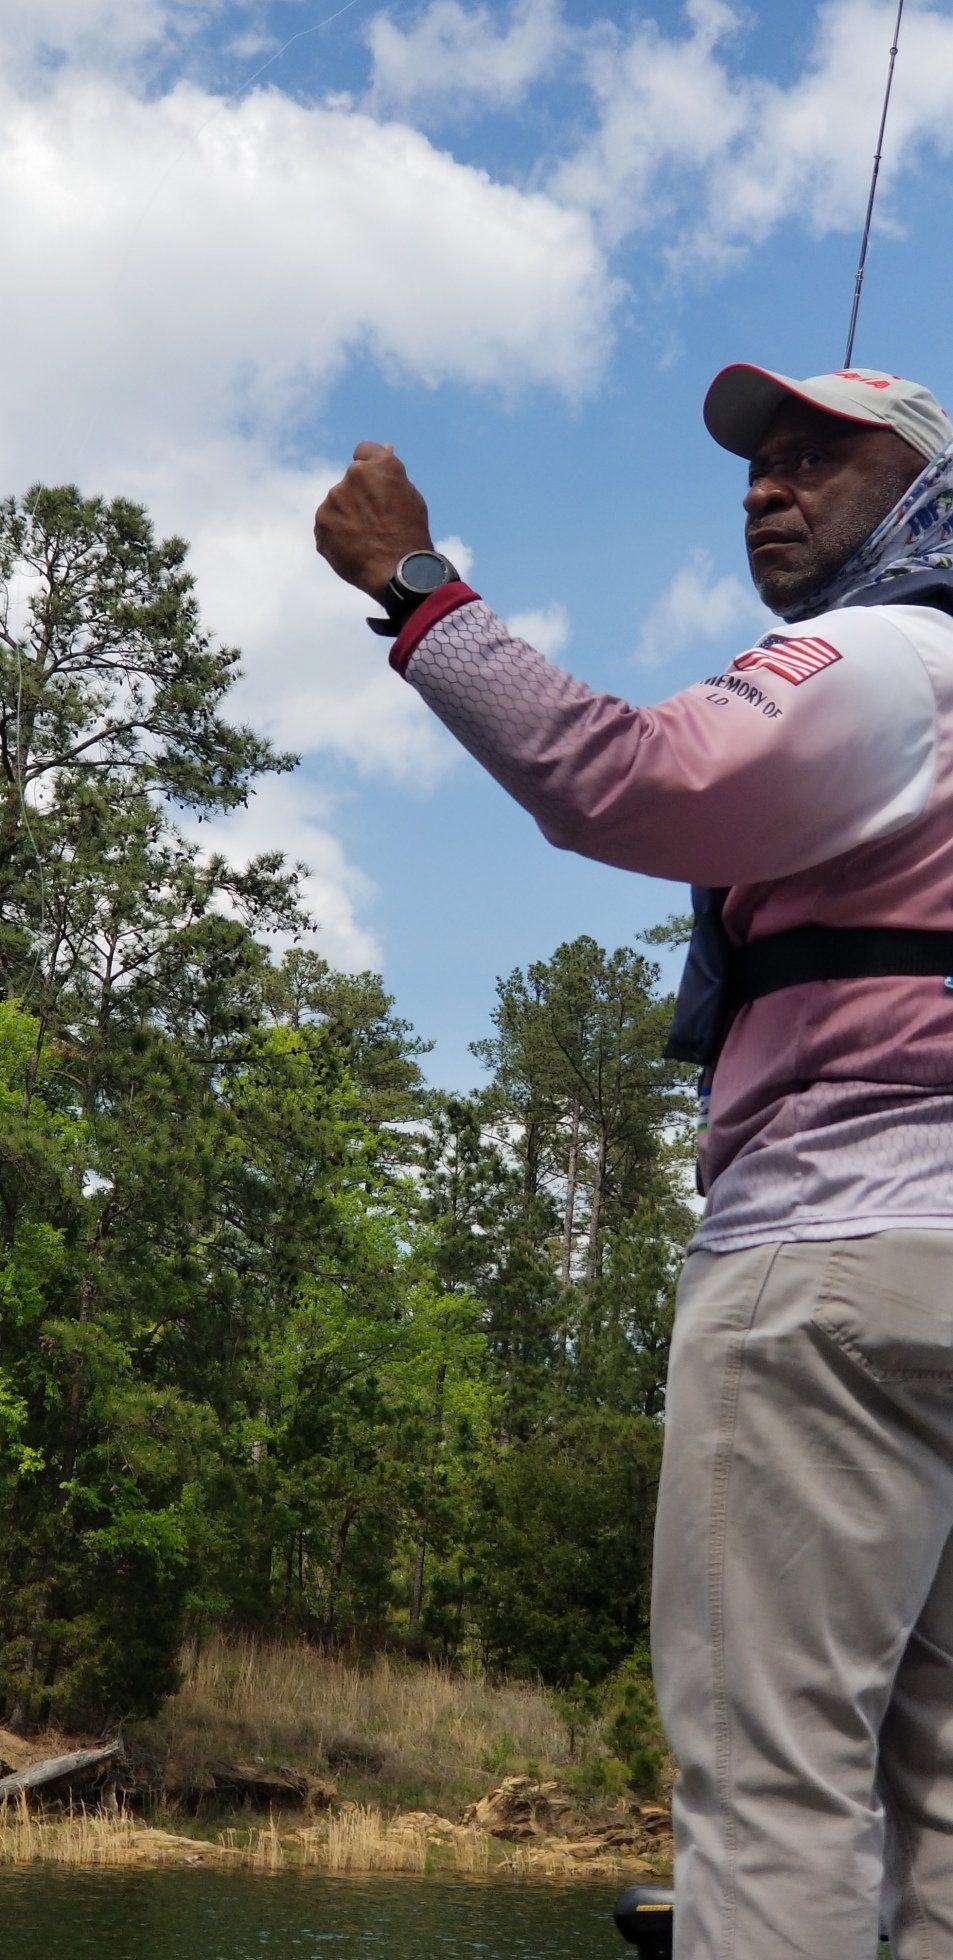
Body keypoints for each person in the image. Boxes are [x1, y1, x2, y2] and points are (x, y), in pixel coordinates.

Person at [313, 365, 953, 1960]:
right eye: (756, 464)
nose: (764, 485)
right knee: (940, 1796)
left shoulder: (883, 656)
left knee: (771, 1785)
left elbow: (627, 775)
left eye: (816, 458)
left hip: (831, 1267)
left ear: (927, 493)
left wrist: (415, 590)